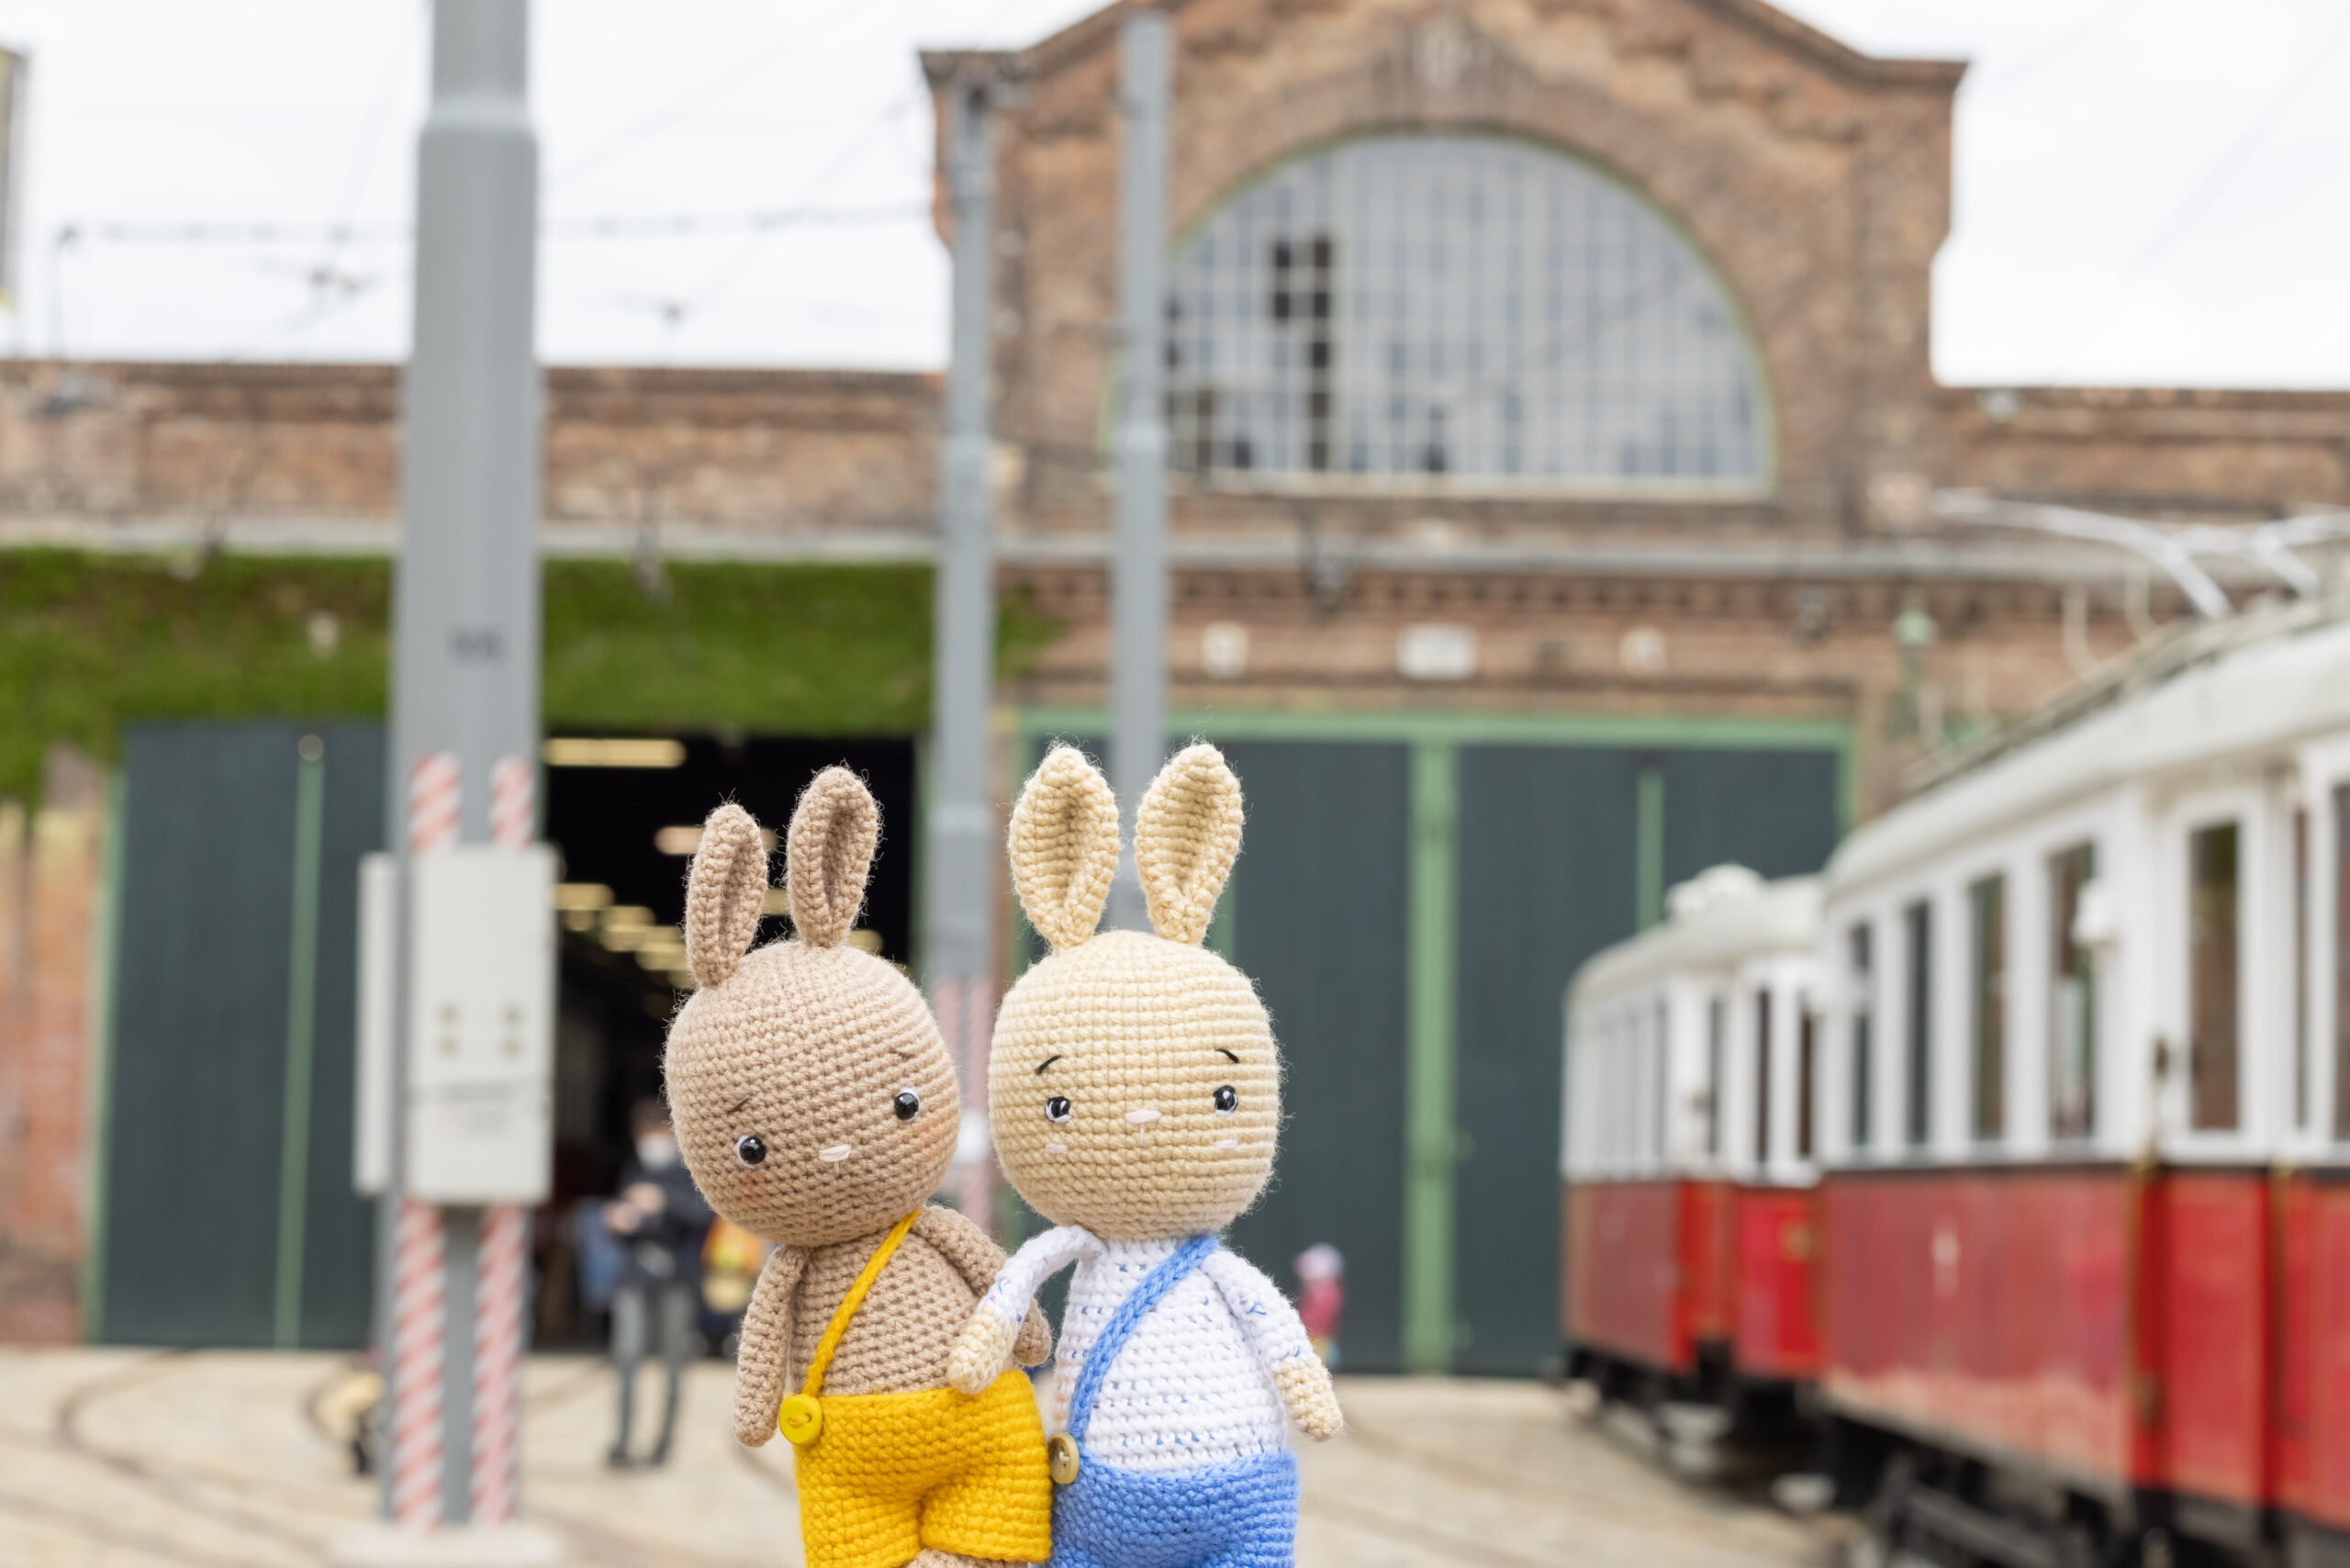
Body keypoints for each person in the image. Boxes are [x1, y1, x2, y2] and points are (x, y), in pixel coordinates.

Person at [606, 1097, 711, 1467]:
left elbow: (703, 1216)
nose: (650, 1140)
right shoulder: (634, 1168)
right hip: (634, 1277)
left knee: (672, 1364)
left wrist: (662, 1201)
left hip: (676, 1280)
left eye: (656, 1131)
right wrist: (618, 1220)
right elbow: (622, 1219)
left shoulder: (690, 1172)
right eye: (643, 1132)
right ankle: (621, 1441)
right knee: (627, 1356)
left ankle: (662, 1444)